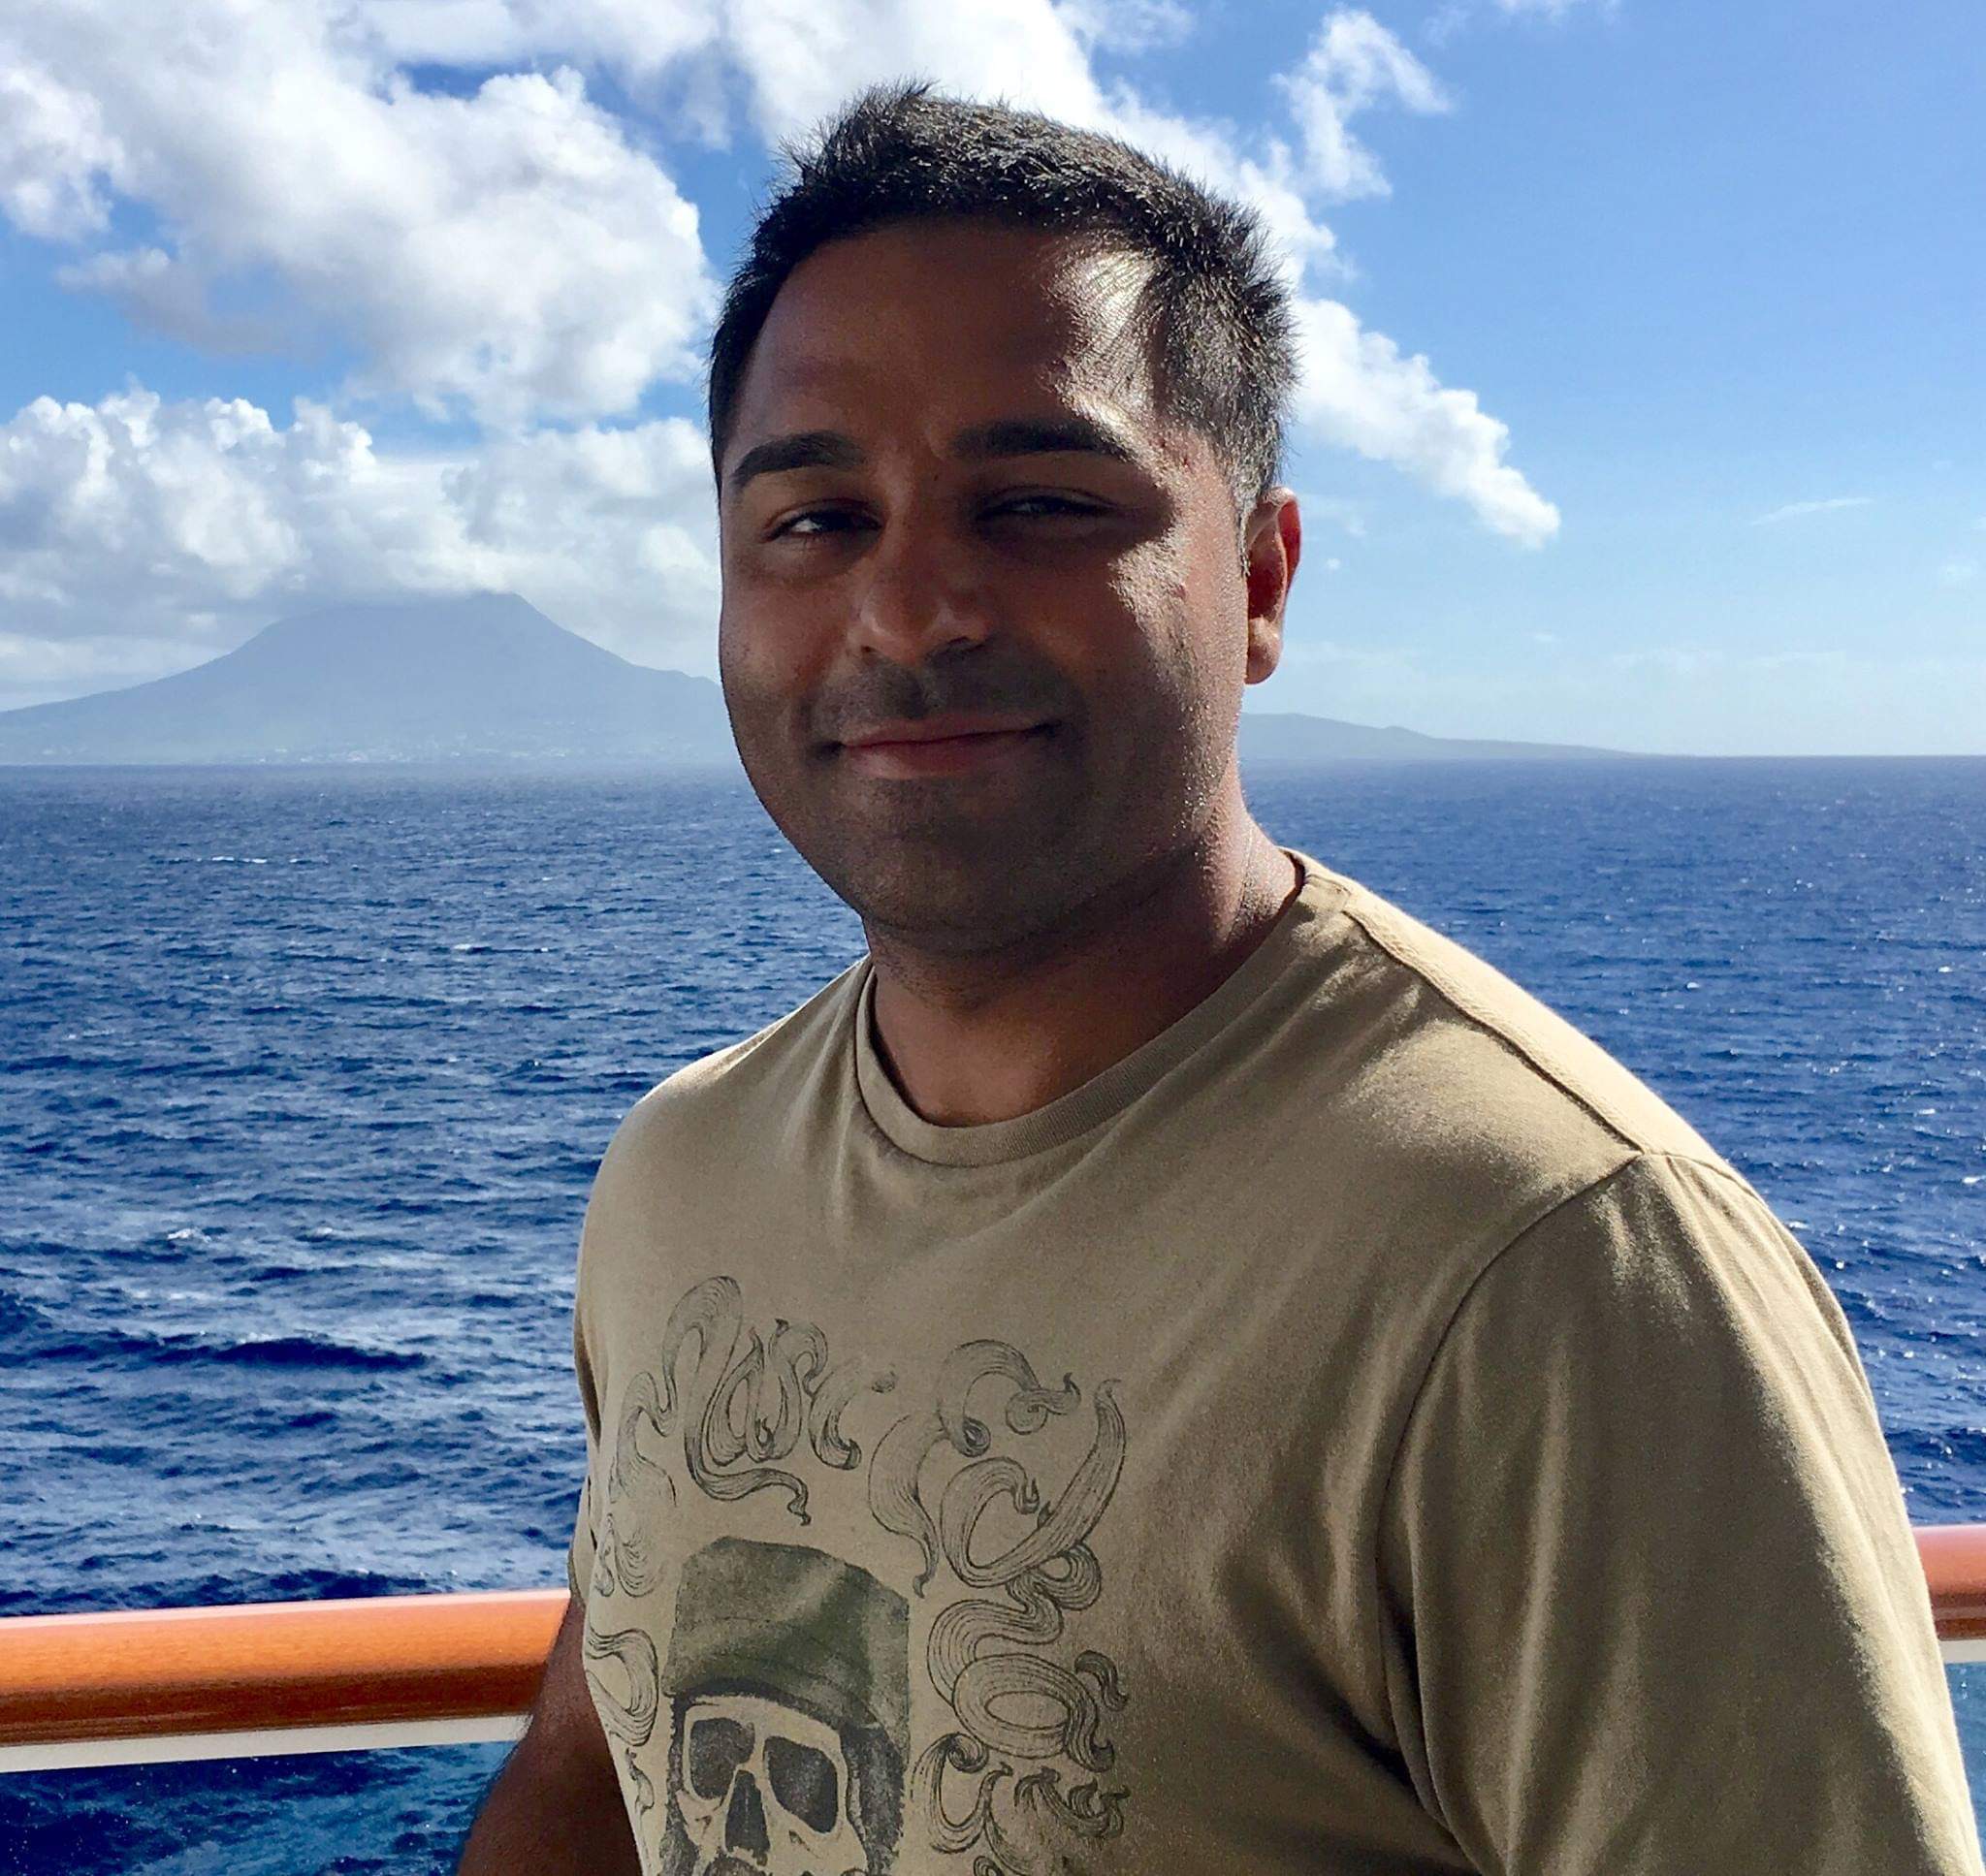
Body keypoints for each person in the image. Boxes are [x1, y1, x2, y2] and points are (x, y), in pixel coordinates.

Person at [458, 86, 1981, 1876]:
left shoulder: (1557, 1274)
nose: (910, 607)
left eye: (1040, 502)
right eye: (813, 521)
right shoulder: (682, 1172)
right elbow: (598, 1766)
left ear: (1257, 579)